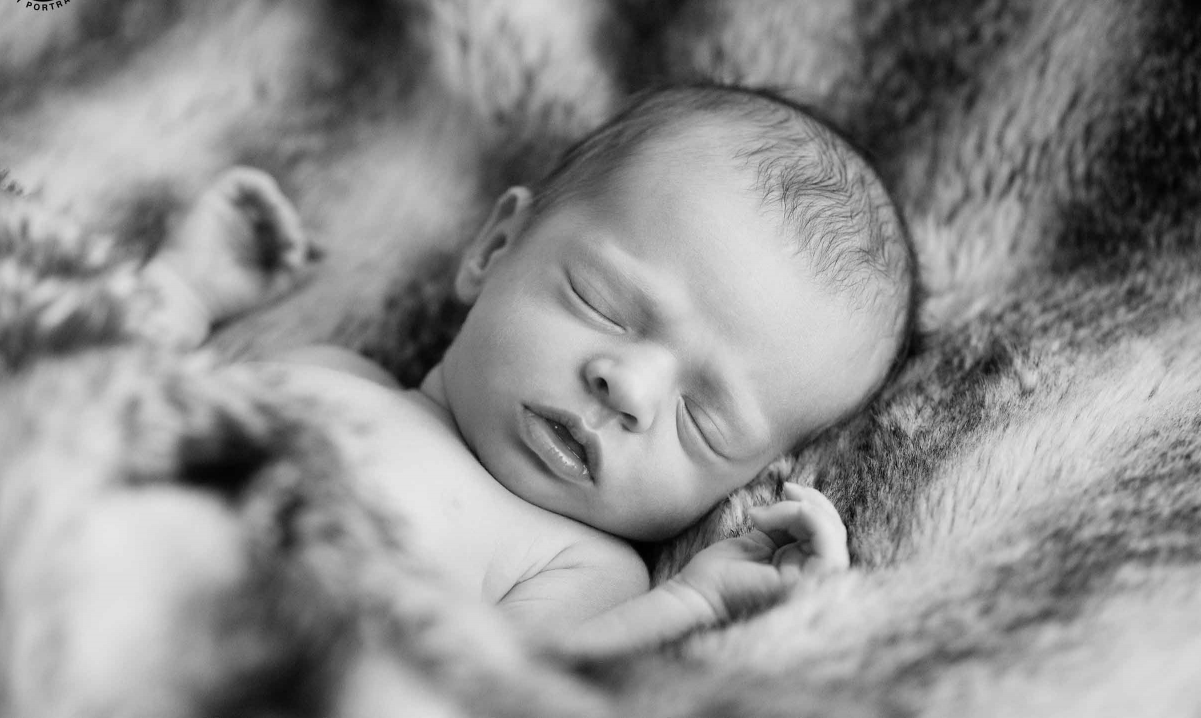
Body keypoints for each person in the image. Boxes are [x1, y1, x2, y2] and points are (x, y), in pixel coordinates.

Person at [140, 84, 915, 655]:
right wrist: (179, 293)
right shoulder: (334, 371)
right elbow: (117, 403)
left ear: (742, 484)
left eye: (703, 421)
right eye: (603, 302)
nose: (630, 388)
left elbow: (507, 682)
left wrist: (695, 599)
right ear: (495, 249)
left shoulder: (580, 562)